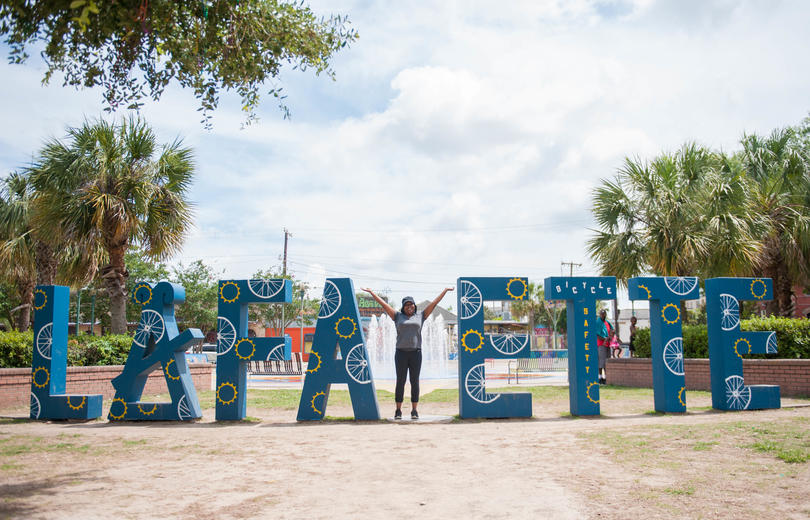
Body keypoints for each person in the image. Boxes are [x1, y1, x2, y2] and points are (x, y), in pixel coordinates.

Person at [362, 286, 454, 419]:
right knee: (400, 381)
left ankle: (414, 410)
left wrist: (445, 291)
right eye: (406, 305)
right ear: (403, 307)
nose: (409, 306)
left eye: (411, 304)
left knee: (415, 381)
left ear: (414, 306)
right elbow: (383, 304)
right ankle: (398, 410)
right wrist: (371, 293)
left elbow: (434, 303)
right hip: (401, 353)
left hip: (416, 353)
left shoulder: (421, 315)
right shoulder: (397, 316)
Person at [596, 309, 612, 384]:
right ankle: (600, 378)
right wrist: (605, 339)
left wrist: (612, 336)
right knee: (601, 361)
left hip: (608, 344)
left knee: (607, 361)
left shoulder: (607, 322)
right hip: (601, 344)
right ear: (600, 314)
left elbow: (612, 329)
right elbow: (597, 335)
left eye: (604, 314)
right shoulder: (598, 322)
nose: (603, 315)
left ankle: (606, 377)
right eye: (602, 314)